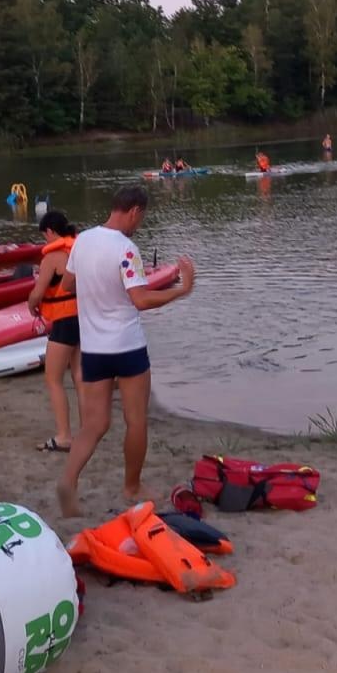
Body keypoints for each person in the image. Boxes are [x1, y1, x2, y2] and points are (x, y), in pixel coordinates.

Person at [57, 184, 195, 517]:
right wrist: (182, 289)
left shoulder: (84, 240)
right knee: (135, 420)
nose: (139, 224)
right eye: (141, 218)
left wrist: (96, 285)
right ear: (134, 211)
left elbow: (67, 284)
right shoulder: (126, 248)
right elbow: (142, 299)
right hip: (126, 346)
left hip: (93, 349)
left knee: (94, 424)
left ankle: (68, 481)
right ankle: (131, 486)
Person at [27, 209, 83, 452]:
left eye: (44, 236)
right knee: (80, 376)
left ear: (50, 231)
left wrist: (31, 306)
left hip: (64, 321)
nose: (45, 241)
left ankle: (64, 437)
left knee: (53, 379)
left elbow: (38, 293)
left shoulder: (52, 257)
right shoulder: (79, 250)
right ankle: (86, 432)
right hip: (84, 319)